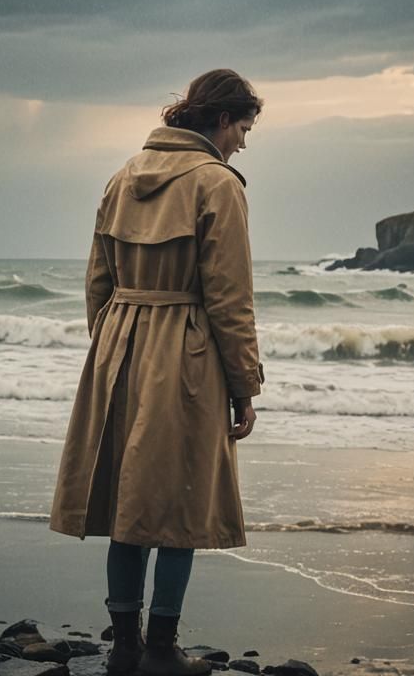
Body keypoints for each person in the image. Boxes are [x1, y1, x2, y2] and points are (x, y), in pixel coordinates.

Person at [50, 68, 265, 676]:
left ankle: (125, 648)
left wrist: (109, 346)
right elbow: (230, 299)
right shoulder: (217, 184)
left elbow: (97, 281)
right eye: (244, 129)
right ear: (222, 120)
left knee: (129, 498)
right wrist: (244, 386)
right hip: (185, 351)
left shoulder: (123, 176)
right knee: (180, 500)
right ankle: (163, 649)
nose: (243, 143)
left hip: (118, 345)